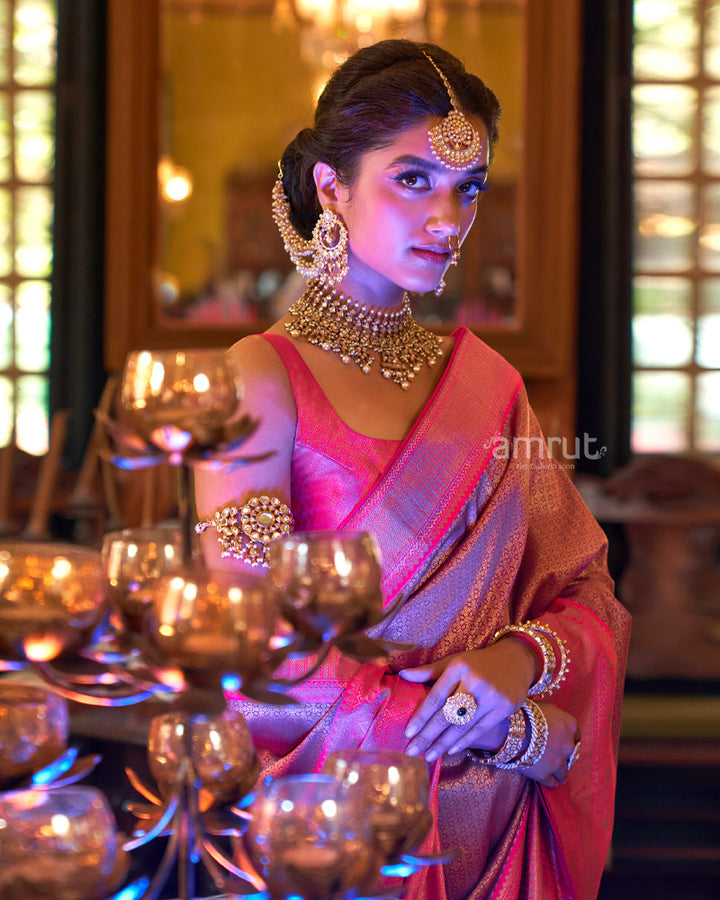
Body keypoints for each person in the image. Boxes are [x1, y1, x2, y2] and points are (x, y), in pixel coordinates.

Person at [194, 39, 631, 900]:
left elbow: (586, 592)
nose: (449, 218)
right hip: (348, 822)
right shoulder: (260, 375)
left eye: (467, 187)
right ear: (332, 187)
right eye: (412, 178)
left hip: (502, 834)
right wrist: (500, 736)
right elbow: (250, 638)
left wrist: (519, 665)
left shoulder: (492, 388)